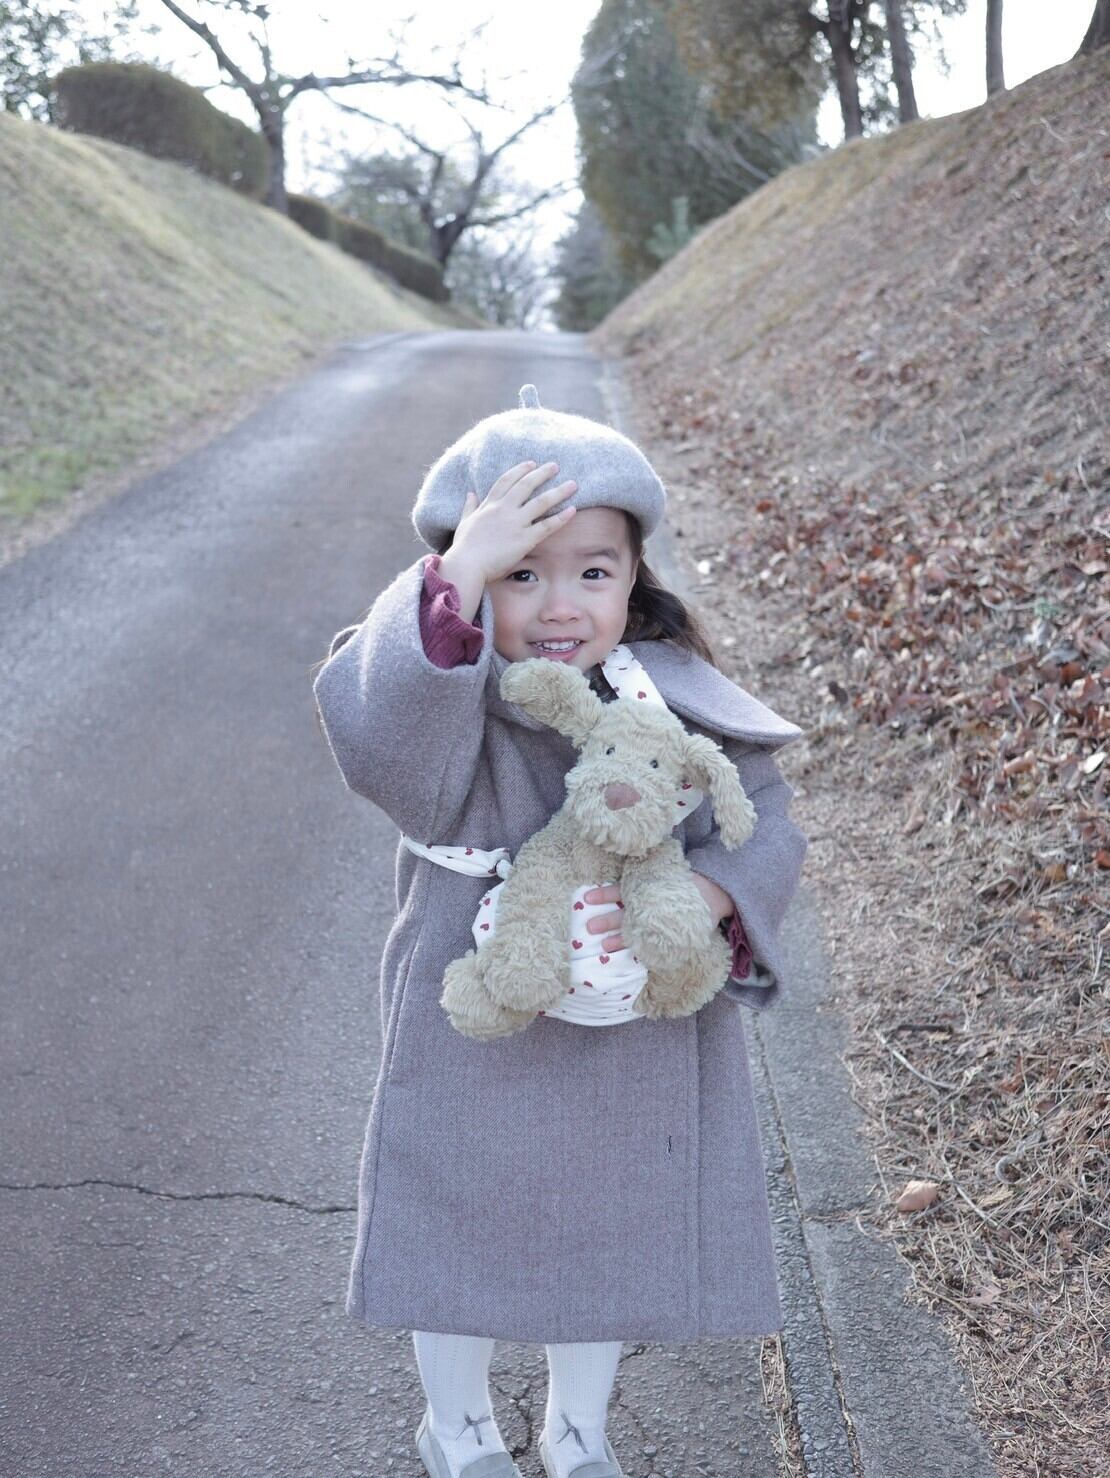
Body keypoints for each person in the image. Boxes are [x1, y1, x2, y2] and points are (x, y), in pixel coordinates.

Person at [311, 385, 808, 1478]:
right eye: (520, 573)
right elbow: (381, 742)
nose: (560, 605)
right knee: (458, 1220)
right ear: (468, 579)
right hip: (476, 992)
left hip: (629, 1020)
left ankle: (579, 1430)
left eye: (594, 572)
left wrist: (707, 901)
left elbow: (766, 818)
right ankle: (459, 1428)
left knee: (607, 1224)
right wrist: (452, 581)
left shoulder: (669, 694)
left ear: (635, 578)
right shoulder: (444, 690)